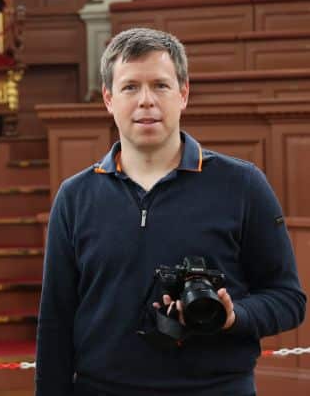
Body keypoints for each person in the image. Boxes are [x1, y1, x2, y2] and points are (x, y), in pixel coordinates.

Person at [36, 27, 306, 396]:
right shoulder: (75, 196)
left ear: (183, 93)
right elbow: (55, 320)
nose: (146, 100)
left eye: (160, 85)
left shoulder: (243, 184)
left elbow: (287, 299)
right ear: (108, 99)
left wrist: (233, 316)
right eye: (130, 87)